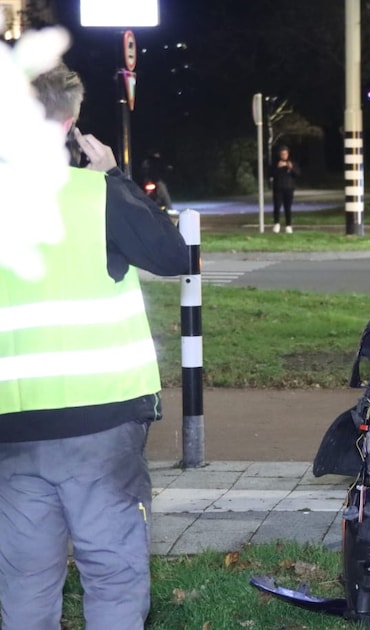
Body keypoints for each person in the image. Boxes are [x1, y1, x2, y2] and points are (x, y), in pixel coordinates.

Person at [0, 64, 189, 629]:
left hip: (13, 427)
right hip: (102, 424)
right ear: (71, 121)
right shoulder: (96, 195)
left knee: (25, 578)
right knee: (112, 572)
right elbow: (174, 258)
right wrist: (116, 176)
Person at [270, 145, 300, 233]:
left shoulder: (292, 163)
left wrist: (291, 168)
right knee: (277, 207)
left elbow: (297, 174)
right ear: (279, 154)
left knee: (288, 208)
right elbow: (270, 174)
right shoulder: (275, 164)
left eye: (285, 154)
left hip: (289, 188)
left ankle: (288, 225)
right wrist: (278, 168)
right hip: (278, 188)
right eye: (282, 154)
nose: (284, 155)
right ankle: (276, 224)